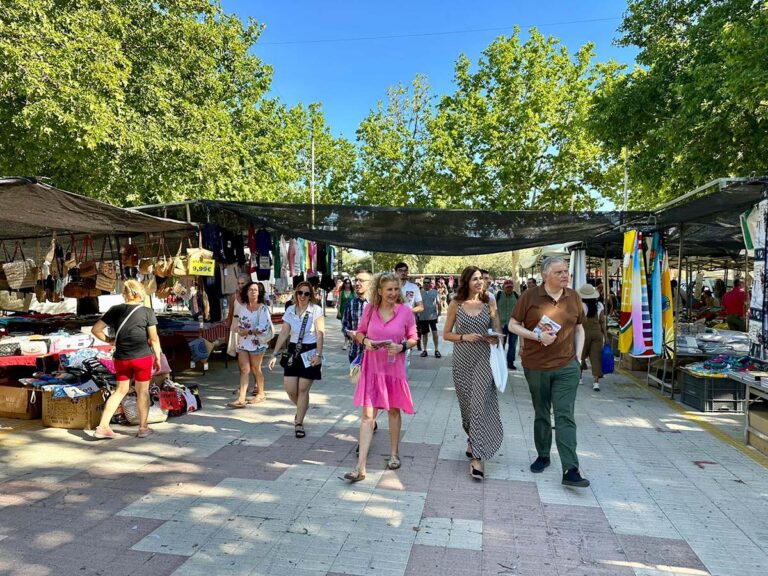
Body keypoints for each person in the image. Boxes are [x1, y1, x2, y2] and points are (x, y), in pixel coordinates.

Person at [509, 256, 590, 488]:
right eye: (559, 272)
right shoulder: (529, 296)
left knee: (565, 415)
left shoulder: (573, 296)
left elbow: (579, 328)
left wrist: (578, 356)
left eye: (566, 271)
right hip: (536, 366)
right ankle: (543, 455)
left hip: (566, 367)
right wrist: (536, 336)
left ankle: (570, 469)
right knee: (542, 412)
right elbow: (513, 324)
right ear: (546, 276)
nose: (565, 275)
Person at [344, 272, 418, 482]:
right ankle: (360, 467)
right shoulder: (370, 309)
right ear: (379, 291)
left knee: (393, 412)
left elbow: (414, 338)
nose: (393, 293)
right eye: (389, 290)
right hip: (371, 370)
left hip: (393, 371)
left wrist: (402, 346)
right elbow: (359, 333)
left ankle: (394, 454)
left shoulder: (405, 312)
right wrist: (365, 341)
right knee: (368, 416)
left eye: (396, 289)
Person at [443, 266, 503, 481]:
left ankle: (477, 458)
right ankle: (472, 440)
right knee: (467, 408)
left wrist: (494, 337)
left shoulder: (490, 303)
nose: (479, 282)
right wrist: (463, 337)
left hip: (484, 359)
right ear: (466, 281)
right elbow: (446, 335)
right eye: (475, 279)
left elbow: (498, 332)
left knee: (479, 404)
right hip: (462, 360)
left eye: (481, 279)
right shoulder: (455, 304)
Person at [91, 280, 163, 439]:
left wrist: (109, 340)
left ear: (125, 293)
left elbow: (95, 330)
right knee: (142, 392)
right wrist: (157, 357)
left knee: (120, 391)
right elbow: (154, 338)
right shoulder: (147, 311)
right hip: (142, 357)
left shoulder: (115, 310)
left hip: (121, 358)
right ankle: (143, 428)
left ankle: (102, 427)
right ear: (138, 293)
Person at [268, 281, 325, 438]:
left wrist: (318, 355)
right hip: (293, 351)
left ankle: (298, 423)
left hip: (310, 351)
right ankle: (302, 407)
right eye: (300, 293)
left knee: (302, 389)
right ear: (296, 294)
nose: (303, 296)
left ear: (310, 296)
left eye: (306, 294)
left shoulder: (316, 310)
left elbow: (320, 333)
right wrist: (274, 353)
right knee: (290, 388)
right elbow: (284, 332)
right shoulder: (290, 310)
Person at [228, 281, 273, 408]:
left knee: (255, 368)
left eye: (255, 290)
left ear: (259, 293)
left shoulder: (263, 308)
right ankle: (241, 398)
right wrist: (238, 329)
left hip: (257, 343)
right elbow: (241, 323)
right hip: (243, 342)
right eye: (250, 289)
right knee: (244, 369)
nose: (252, 292)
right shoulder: (243, 308)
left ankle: (261, 393)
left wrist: (247, 331)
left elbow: (263, 328)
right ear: (246, 292)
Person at [578, 284, 607, 391]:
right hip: (597, 333)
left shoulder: (580, 305)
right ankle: (596, 382)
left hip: (583, 333)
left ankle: (579, 377)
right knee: (596, 357)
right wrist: (606, 337)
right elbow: (602, 321)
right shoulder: (599, 305)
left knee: (580, 355)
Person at [395, 262, 423, 351]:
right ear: (395, 272)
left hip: (408, 324)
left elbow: (421, 307)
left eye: (405, 271)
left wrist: (407, 311)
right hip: (392, 321)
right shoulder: (391, 286)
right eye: (400, 271)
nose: (403, 273)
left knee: (405, 352)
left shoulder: (414, 287)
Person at [496, 279, 519, 369]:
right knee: (501, 344)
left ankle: (510, 362)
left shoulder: (517, 296)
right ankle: (500, 361)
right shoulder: (498, 295)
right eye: (507, 287)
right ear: (504, 287)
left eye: (510, 287)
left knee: (512, 344)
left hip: (514, 325)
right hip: (501, 325)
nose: (509, 289)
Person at [225, 274, 250, 357]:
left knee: (246, 350)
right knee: (237, 350)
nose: (240, 285)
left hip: (247, 324)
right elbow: (230, 313)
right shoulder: (233, 296)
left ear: (247, 284)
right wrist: (227, 328)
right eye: (238, 283)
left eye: (242, 283)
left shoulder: (250, 296)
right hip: (235, 323)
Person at [418, 278, 442, 358]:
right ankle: (424, 350)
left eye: (427, 282)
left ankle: (436, 350)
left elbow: (439, 304)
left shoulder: (435, 292)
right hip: (422, 316)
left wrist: (439, 314)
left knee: (435, 333)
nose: (426, 284)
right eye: (424, 282)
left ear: (430, 284)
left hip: (433, 316)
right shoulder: (419, 293)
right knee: (424, 334)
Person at [336, 278, 354, 349]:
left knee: (350, 327)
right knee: (344, 327)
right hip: (343, 311)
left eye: (349, 283)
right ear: (344, 284)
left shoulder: (353, 293)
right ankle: (347, 341)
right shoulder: (341, 292)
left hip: (351, 312)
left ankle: (348, 341)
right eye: (346, 283)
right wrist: (339, 312)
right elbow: (339, 303)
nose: (347, 284)